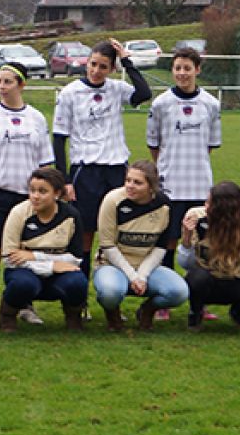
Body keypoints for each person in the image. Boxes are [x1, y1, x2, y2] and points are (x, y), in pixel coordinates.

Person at [52, 39, 151, 317]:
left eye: (103, 66)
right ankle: (79, 301)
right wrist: (64, 180)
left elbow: (144, 93)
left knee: (114, 239)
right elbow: (59, 139)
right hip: (85, 172)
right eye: (93, 64)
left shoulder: (117, 89)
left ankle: (112, 303)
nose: (96, 71)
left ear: (111, 68)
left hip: (116, 170)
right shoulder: (70, 93)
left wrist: (127, 60)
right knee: (84, 238)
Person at [0, 62, 53, 326]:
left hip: (29, 198)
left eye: (8, 82)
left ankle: (24, 305)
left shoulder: (36, 117)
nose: (1, 87)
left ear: (21, 85)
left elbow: (45, 162)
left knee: (25, 252)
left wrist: (48, 195)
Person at [145, 46, 221, 322]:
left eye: (187, 68)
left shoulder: (211, 104)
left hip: (200, 185)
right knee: (168, 242)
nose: (182, 73)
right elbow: (154, 145)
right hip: (170, 186)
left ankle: (199, 304)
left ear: (197, 70)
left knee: (202, 245)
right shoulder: (160, 104)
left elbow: (210, 145)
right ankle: (164, 300)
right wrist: (168, 167)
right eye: (177, 68)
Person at [92, 161, 188, 331]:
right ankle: (113, 315)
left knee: (179, 292)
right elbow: (107, 245)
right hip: (112, 265)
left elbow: (161, 247)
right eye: (128, 180)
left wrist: (142, 276)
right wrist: (133, 276)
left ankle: (147, 311)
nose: (130, 186)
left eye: (137, 182)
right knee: (110, 292)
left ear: (151, 186)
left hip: (147, 267)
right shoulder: (112, 200)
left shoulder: (164, 205)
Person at [0, 167, 88, 332]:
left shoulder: (71, 215)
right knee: (23, 284)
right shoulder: (18, 213)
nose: (35, 196)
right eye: (32, 190)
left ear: (57, 193)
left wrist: (33, 256)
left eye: (42, 191)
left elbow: (75, 259)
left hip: (57, 274)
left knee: (78, 282)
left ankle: (73, 315)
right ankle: (7, 314)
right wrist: (52, 265)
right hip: (25, 271)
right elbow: (9, 258)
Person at [177, 182, 240, 332]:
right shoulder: (197, 217)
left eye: (209, 203)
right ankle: (196, 311)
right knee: (196, 279)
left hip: (235, 281)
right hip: (207, 279)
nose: (205, 207)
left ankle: (238, 312)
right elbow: (185, 264)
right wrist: (187, 239)